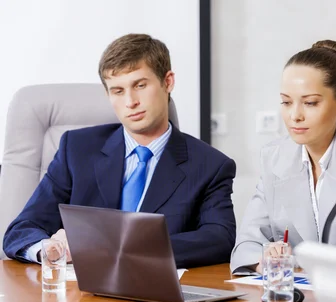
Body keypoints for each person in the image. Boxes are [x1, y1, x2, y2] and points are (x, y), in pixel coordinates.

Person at [3, 33, 236, 268]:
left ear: (168, 82)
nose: (130, 101)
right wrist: (49, 251)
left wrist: (122, 248)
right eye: (117, 91)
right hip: (80, 296)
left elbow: (220, 239)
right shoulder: (76, 149)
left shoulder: (210, 165)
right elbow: (22, 230)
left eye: (140, 85)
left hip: (155, 295)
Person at [230, 40, 336, 274]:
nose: (295, 115)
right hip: (293, 299)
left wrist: (291, 264)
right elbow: (246, 243)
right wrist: (264, 259)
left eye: (310, 103)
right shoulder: (274, 156)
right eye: (286, 102)